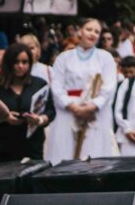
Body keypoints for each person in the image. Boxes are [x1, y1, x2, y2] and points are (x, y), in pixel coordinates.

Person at [47, 18, 118, 164]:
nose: (92, 34)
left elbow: (109, 87)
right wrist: (74, 107)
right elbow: (56, 86)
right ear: (80, 31)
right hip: (68, 111)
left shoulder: (105, 58)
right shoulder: (63, 58)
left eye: (96, 31)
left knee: (92, 153)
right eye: (89, 29)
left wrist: (91, 106)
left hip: (93, 113)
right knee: (66, 152)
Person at [0, 43, 55, 163]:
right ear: (8, 63)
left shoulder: (39, 84)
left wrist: (39, 120)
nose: (20, 66)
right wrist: (4, 117)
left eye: (24, 62)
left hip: (31, 148)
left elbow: (50, 112)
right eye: (16, 62)